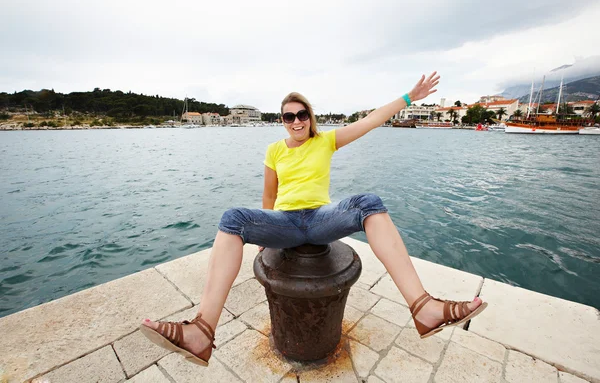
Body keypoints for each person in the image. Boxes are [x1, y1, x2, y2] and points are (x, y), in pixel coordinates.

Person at [140, 72, 487, 366]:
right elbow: (268, 197)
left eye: (301, 114)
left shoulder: (326, 141)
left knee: (369, 202)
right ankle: (201, 331)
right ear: (282, 121)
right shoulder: (274, 150)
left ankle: (424, 308)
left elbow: (368, 121)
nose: (296, 122)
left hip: (321, 219)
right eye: (288, 117)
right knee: (232, 218)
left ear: (310, 116)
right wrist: (264, 235)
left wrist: (409, 97)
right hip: (286, 222)